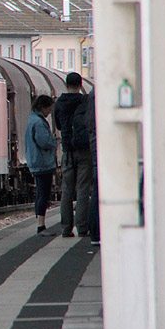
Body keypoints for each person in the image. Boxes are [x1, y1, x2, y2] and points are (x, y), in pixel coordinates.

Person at [54, 72, 93, 238]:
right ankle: (82, 228)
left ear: (66, 84)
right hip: (84, 150)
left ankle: (65, 228)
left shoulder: (59, 103)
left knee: (67, 190)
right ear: (80, 85)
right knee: (83, 188)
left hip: (67, 151)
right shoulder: (85, 101)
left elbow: (58, 125)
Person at [26, 95, 57, 234]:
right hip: (42, 162)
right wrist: (54, 142)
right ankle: (41, 226)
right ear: (43, 107)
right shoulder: (38, 122)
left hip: (36, 160)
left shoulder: (32, 119)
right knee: (43, 194)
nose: (49, 112)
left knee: (40, 193)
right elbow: (44, 142)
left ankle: (40, 224)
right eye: (49, 109)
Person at [77, 88, 100, 245]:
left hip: (94, 147)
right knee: (98, 190)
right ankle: (96, 232)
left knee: (95, 189)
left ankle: (94, 232)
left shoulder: (91, 98)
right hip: (100, 148)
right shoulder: (98, 94)